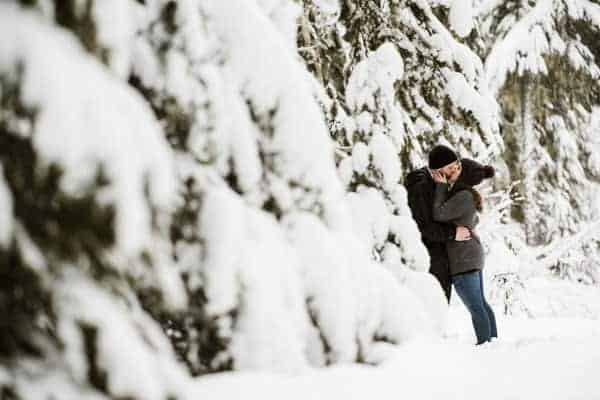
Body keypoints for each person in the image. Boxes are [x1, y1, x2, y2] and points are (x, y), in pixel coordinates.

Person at [431, 157, 498, 345]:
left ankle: (485, 344)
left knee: (476, 306)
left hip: (464, 257)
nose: (453, 170)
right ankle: (492, 342)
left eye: (459, 169)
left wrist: (440, 187)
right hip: (470, 254)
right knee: (481, 303)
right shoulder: (465, 195)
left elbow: (439, 214)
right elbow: (470, 221)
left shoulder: (463, 196)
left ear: (465, 176)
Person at [405, 145, 471, 303]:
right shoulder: (420, 188)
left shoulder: (436, 183)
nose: (455, 172)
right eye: (450, 169)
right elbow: (424, 227)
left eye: (456, 167)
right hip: (428, 262)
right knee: (432, 308)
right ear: (437, 170)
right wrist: (454, 233)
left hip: (439, 259)